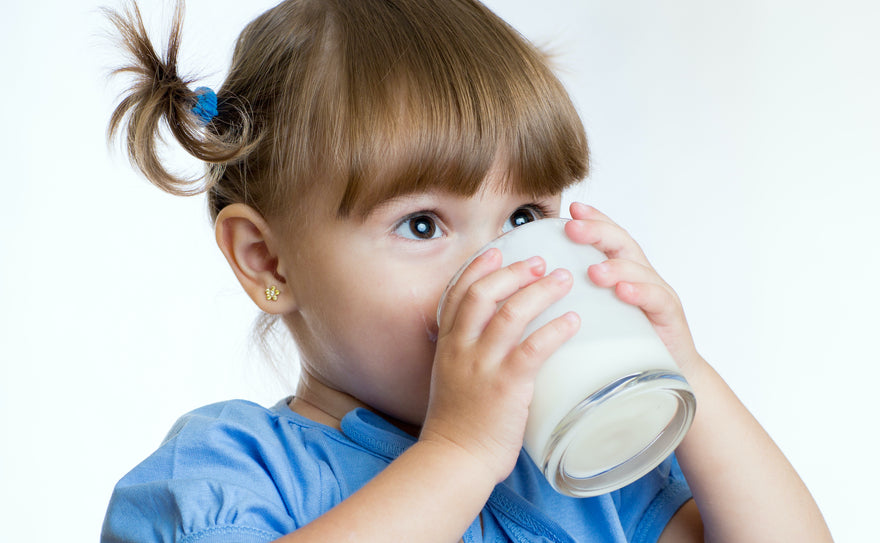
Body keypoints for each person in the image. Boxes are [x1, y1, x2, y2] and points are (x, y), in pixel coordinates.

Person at [100, 0, 833, 541]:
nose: (493, 268)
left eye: (523, 218)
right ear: (268, 261)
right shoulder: (230, 468)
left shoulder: (584, 470)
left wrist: (687, 372)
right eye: (422, 224)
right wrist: (460, 452)